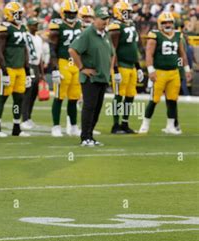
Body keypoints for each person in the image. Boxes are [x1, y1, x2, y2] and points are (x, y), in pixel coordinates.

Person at [68, 7, 116, 146]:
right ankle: (85, 137)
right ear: (95, 19)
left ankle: (90, 135)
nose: (105, 22)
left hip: (102, 76)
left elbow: (112, 53)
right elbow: (72, 49)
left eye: (107, 19)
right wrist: (82, 68)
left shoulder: (106, 34)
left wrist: (110, 68)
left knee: (97, 108)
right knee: (89, 107)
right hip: (91, 78)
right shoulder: (88, 33)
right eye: (102, 19)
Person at [138, 12, 192, 135]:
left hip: (174, 72)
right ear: (159, 23)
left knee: (172, 100)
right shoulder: (155, 35)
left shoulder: (178, 35)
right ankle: (145, 125)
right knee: (154, 100)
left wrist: (187, 69)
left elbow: (182, 54)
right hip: (159, 72)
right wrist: (151, 70)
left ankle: (170, 126)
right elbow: (149, 54)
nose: (167, 24)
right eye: (164, 22)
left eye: (169, 22)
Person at [0, 1, 31, 137]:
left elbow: (25, 50)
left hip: (20, 68)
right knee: (2, 97)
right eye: (17, 13)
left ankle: (16, 127)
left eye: (21, 13)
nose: (20, 16)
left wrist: (27, 71)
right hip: (8, 68)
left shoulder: (22, 28)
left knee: (18, 99)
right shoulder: (4, 28)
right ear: (9, 14)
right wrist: (4, 71)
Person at [48, 0, 82, 137]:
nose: (72, 15)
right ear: (62, 12)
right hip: (63, 62)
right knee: (59, 97)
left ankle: (73, 126)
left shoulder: (79, 24)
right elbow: (52, 47)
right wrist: (55, 68)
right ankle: (56, 126)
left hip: (76, 63)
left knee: (74, 97)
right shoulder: (57, 25)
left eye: (74, 13)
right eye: (69, 13)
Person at [109, 1, 143, 134]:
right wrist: (115, 69)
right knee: (119, 95)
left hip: (131, 66)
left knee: (130, 95)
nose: (128, 14)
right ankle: (115, 125)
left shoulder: (132, 25)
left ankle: (125, 123)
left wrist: (138, 66)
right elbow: (113, 49)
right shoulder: (115, 26)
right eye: (125, 12)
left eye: (129, 12)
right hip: (121, 66)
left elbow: (134, 49)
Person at [20, 17, 46, 130]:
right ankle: (24, 118)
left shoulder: (39, 39)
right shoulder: (25, 36)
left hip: (35, 66)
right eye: (34, 24)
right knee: (28, 92)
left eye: (37, 24)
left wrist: (41, 72)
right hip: (28, 65)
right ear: (29, 26)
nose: (36, 26)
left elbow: (40, 57)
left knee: (34, 92)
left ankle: (28, 117)